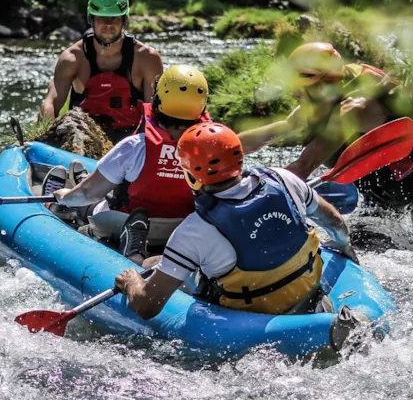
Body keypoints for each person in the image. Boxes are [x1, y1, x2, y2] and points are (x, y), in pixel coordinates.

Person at [114, 122, 357, 320]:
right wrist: (345, 247)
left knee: (153, 263)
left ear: (191, 175)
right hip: (309, 300)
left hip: (249, 317)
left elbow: (147, 307)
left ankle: (134, 257)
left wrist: (132, 282)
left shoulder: (194, 230)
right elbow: (334, 220)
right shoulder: (283, 179)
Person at [237, 42, 413, 252]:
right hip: (378, 195)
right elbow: (284, 127)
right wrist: (228, 146)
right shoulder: (324, 97)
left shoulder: (353, 110)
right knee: (363, 250)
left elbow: (303, 166)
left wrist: (250, 196)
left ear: (320, 87)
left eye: (298, 89)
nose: (293, 95)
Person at [47, 65, 211, 263]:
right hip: (181, 229)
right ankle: (83, 181)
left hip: (128, 222)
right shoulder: (210, 148)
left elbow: (88, 194)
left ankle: (59, 208)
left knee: (88, 201)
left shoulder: (135, 146)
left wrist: (64, 196)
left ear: (158, 101)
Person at [40, 0, 164, 141]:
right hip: (84, 138)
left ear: (124, 20)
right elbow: (50, 103)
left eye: (114, 18)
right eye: (101, 18)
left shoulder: (147, 58)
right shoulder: (72, 58)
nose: (108, 25)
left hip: (132, 141)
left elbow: (154, 114)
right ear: (91, 19)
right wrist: (44, 139)